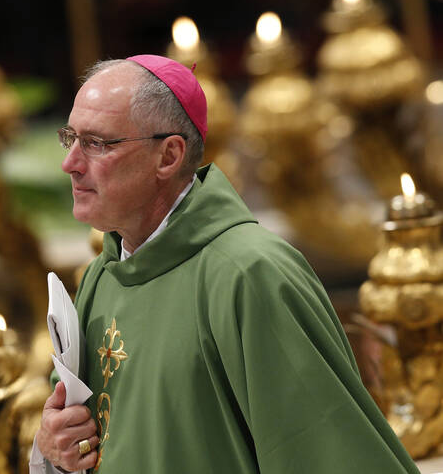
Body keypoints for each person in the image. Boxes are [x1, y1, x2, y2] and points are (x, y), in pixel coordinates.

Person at [30, 54, 419, 473]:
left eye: (97, 143)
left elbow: (319, 448)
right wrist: (55, 446)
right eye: (70, 138)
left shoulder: (250, 273)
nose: (70, 163)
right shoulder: (101, 278)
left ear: (169, 156)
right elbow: (84, 436)